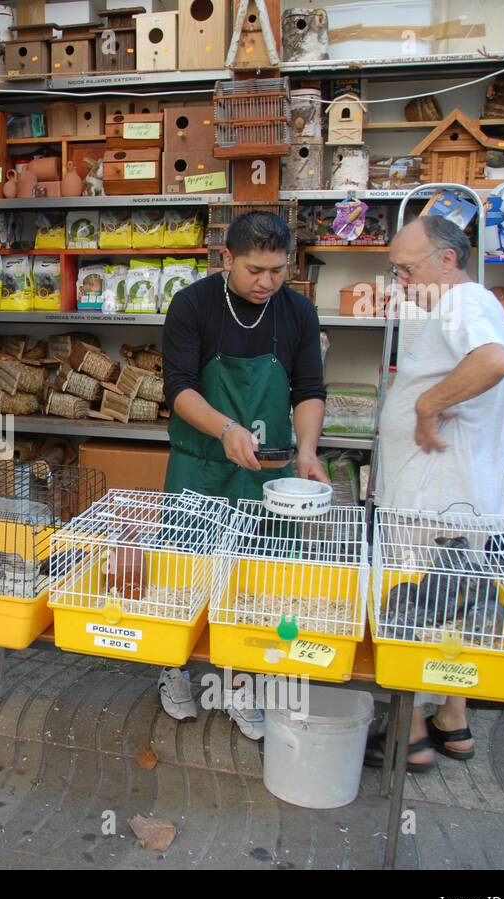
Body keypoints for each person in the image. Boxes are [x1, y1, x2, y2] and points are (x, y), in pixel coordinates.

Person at [157, 211, 329, 739]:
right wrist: (226, 427)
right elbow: (180, 387)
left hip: (266, 475)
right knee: (185, 575)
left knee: (254, 582)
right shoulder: (193, 305)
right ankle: (174, 667)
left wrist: (306, 451)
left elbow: (309, 389)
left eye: (278, 270)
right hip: (200, 466)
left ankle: (237, 681)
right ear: (227, 258)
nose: (267, 282)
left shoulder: (298, 311)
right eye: (255, 270)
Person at [367, 214, 504, 771]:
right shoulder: (461, 305)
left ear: (448, 260)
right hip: (456, 496)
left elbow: (495, 361)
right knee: (453, 608)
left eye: (407, 270)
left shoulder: (463, 302)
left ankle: (409, 732)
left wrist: (427, 404)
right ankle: (452, 720)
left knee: (411, 607)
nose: (401, 283)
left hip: (432, 498)